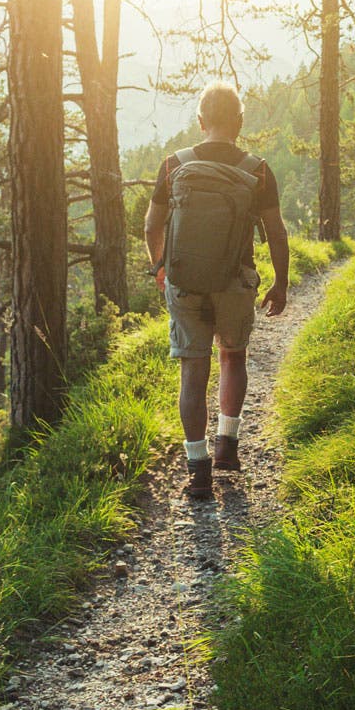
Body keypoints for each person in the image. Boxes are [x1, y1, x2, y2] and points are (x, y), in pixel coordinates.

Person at [144, 82, 289, 501]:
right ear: (240, 123)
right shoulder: (258, 169)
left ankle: (198, 470)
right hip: (234, 281)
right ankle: (227, 444)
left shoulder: (173, 164)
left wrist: (161, 267)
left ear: (201, 121)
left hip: (184, 282)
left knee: (193, 370)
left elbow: (152, 225)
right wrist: (280, 282)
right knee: (232, 355)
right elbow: (276, 233)